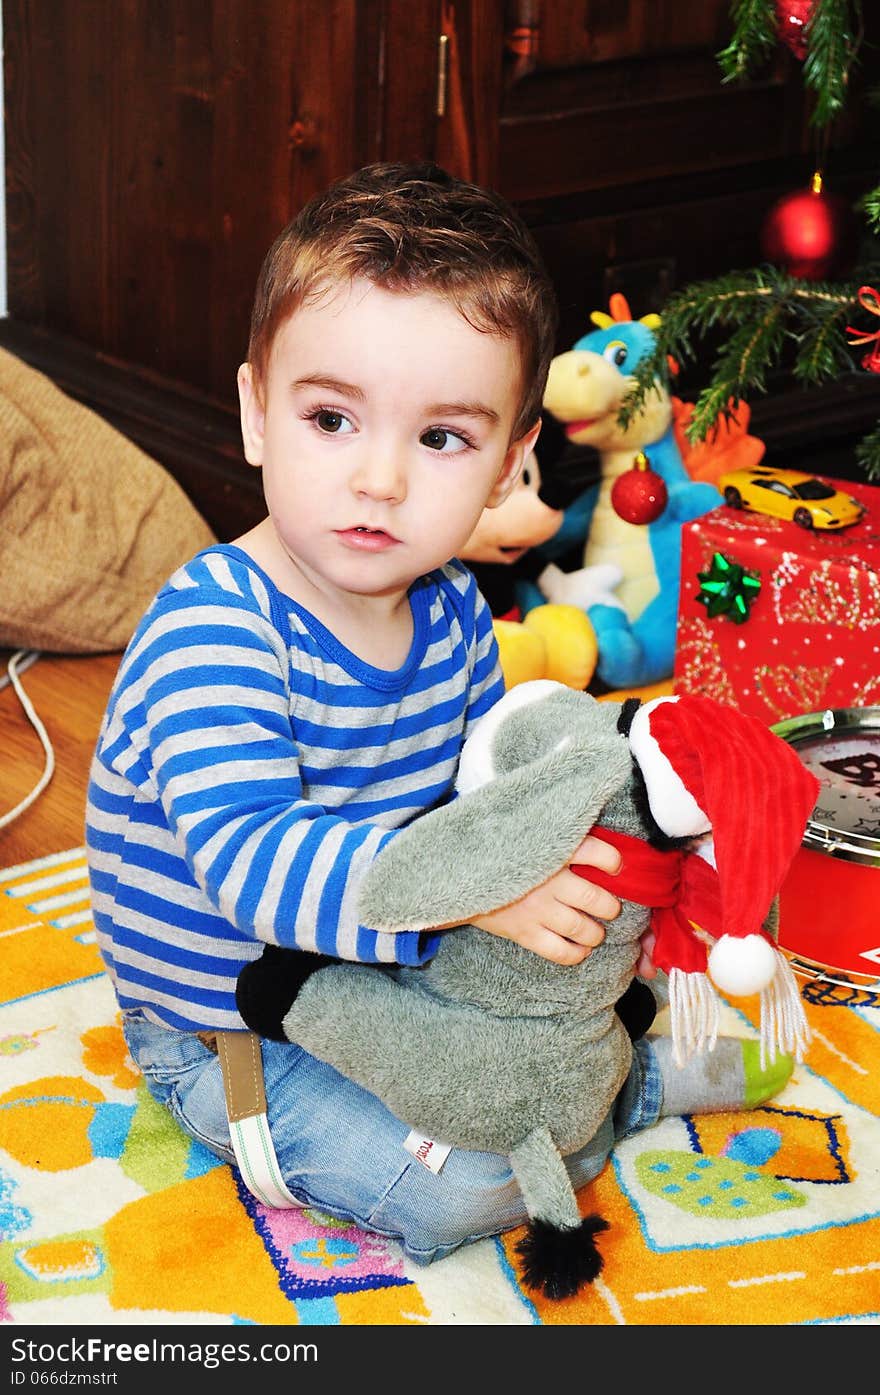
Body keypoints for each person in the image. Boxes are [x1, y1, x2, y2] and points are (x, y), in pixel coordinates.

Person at [85, 162, 793, 1266]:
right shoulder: (217, 631)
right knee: (464, 1187)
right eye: (330, 418)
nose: (378, 479)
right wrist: (486, 893)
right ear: (255, 413)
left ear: (511, 465)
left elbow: (490, 790)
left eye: (441, 439)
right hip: (236, 1025)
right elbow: (253, 861)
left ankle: (588, 1066)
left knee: (576, 939)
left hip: (400, 966)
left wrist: (597, 856)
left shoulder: (458, 608)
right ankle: (617, 1082)